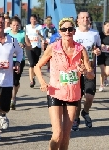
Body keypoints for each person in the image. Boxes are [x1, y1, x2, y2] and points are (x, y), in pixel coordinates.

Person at [34, 17, 94, 150]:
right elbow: (37, 67)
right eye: (64, 29)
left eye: (70, 29)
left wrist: (85, 71)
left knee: (66, 136)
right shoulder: (53, 48)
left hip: (73, 94)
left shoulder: (81, 49)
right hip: (55, 92)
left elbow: (91, 74)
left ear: (74, 31)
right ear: (60, 32)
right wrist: (42, 82)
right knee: (57, 135)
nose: (67, 31)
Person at [72, 11, 101, 131]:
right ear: (78, 20)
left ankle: (85, 112)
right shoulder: (73, 33)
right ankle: (76, 118)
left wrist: (98, 51)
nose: (85, 19)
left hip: (89, 70)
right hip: (75, 71)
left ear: (90, 20)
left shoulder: (94, 33)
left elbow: (98, 47)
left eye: (87, 17)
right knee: (77, 98)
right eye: (82, 17)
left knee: (89, 96)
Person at [7, 16, 31, 110]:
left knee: (16, 81)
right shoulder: (7, 33)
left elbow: (29, 47)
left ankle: (14, 97)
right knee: (9, 80)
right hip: (8, 60)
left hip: (19, 60)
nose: (15, 27)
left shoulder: (22, 34)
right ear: (10, 25)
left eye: (17, 25)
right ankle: (10, 98)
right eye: (13, 25)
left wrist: (24, 45)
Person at [26, 14, 43, 88]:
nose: (33, 20)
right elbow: (26, 36)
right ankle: (31, 80)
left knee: (36, 65)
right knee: (31, 64)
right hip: (29, 47)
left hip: (37, 47)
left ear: (36, 20)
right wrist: (27, 44)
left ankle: (33, 77)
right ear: (30, 20)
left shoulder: (40, 27)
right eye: (31, 19)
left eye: (34, 19)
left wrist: (39, 33)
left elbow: (43, 38)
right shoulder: (27, 27)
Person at [97, 21, 109, 91]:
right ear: (103, 26)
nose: (108, 27)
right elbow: (96, 44)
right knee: (102, 70)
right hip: (101, 55)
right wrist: (100, 45)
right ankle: (101, 85)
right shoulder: (99, 35)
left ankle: (106, 78)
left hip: (108, 56)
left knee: (107, 72)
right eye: (107, 26)